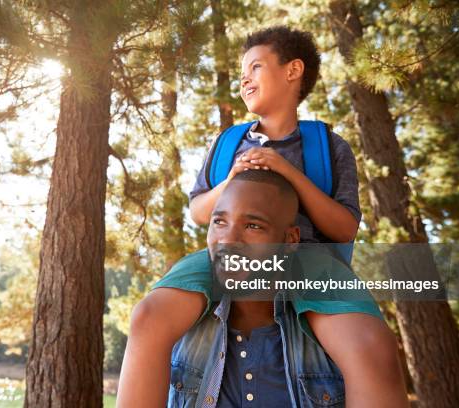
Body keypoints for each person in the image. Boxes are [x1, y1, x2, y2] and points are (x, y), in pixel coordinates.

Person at [117, 26, 406, 407]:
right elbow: (200, 211)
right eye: (241, 72)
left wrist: (288, 173)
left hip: (309, 262)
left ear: (293, 70)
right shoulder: (226, 144)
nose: (244, 78)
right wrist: (231, 180)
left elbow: (344, 228)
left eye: (255, 67)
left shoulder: (328, 146)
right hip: (225, 254)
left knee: (370, 346)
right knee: (149, 316)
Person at [166, 169, 408, 407]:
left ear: (290, 240)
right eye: (219, 221)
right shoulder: (180, 330)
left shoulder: (331, 341)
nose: (228, 240)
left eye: (253, 226)